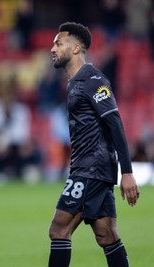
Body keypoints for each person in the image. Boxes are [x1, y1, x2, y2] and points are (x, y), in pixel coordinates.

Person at [47, 22, 140, 267]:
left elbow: (115, 124)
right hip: (92, 168)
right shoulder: (75, 82)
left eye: (58, 43)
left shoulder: (93, 79)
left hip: (91, 169)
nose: (52, 48)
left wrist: (127, 172)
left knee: (59, 229)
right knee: (106, 234)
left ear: (76, 48)